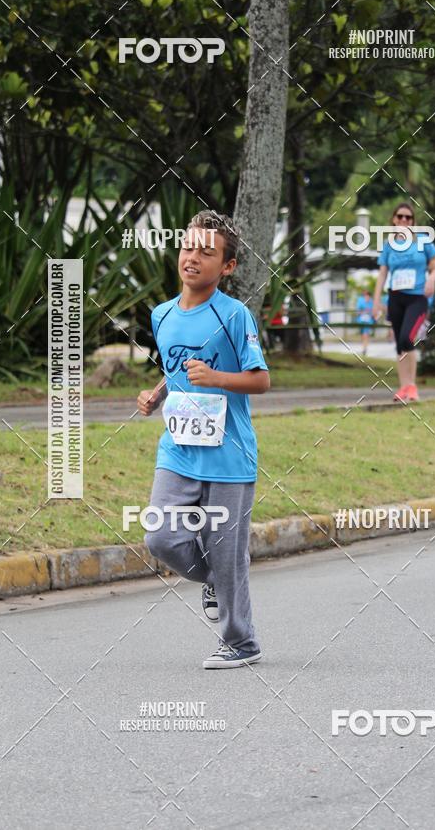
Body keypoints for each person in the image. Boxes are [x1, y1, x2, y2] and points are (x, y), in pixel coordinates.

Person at [136, 210, 270, 667]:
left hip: (228, 454)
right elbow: (175, 371)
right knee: (161, 538)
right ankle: (216, 577)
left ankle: (241, 642)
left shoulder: (235, 316)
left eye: (206, 252)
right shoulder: (162, 314)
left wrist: (216, 377)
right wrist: (156, 395)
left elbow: (260, 381)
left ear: (227, 267)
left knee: (227, 548)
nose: (193, 257)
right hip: (178, 448)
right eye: (189, 247)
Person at [372, 202, 435, 402]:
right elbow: (383, 274)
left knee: (406, 338)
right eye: (400, 216)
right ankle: (404, 387)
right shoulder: (388, 245)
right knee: (399, 346)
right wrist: (376, 301)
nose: (403, 220)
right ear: (394, 219)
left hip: (417, 298)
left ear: (413, 221)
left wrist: (431, 279)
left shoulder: (423, 240)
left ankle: (412, 386)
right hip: (395, 297)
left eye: (408, 217)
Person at [356, 289, 374, 356]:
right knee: (363, 335)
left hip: (368, 321)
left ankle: (365, 348)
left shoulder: (371, 302)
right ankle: (364, 347)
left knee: (366, 334)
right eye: (365, 295)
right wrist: (363, 312)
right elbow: (358, 311)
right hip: (361, 320)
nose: (366, 297)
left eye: (367, 295)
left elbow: (373, 312)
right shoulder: (360, 301)